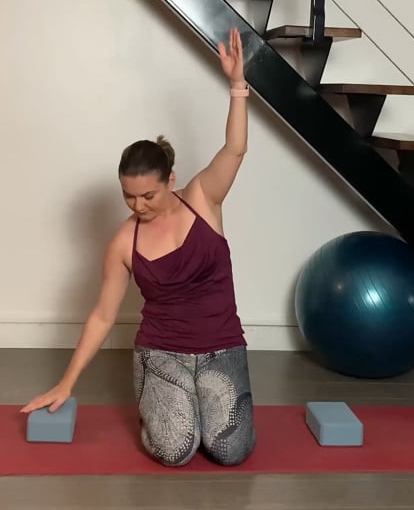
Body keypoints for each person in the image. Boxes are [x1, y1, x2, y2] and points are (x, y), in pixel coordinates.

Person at [22, 27, 255, 468]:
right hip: (161, 351)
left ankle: (196, 403)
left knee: (230, 451)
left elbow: (236, 148)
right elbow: (103, 315)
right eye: (128, 196)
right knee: (175, 451)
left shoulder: (203, 198)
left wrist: (236, 85)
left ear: (170, 179)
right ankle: (164, 399)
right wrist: (66, 382)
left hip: (221, 347)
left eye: (148, 195)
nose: (138, 205)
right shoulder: (122, 243)